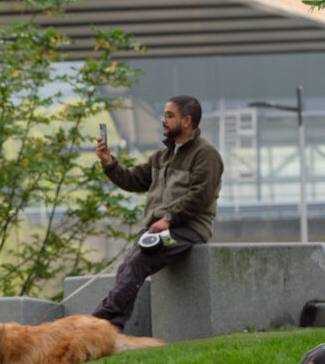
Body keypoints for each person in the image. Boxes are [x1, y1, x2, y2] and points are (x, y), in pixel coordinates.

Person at [91, 95, 225, 330]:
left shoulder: (206, 154)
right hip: (158, 228)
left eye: (169, 115)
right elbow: (133, 180)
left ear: (187, 121)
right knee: (127, 268)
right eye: (163, 115)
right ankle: (107, 328)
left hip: (186, 229)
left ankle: (98, 326)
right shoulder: (162, 156)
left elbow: (200, 197)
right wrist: (108, 162)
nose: (163, 120)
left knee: (136, 264)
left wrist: (169, 218)